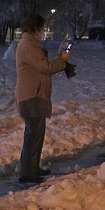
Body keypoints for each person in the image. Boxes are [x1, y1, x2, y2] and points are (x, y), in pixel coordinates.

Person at [14, 14, 71, 183]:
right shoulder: (29, 46)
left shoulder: (31, 44)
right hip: (32, 96)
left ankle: (32, 168)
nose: (43, 31)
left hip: (35, 94)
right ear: (35, 28)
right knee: (33, 134)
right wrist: (63, 60)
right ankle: (27, 172)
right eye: (42, 28)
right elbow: (45, 67)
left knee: (36, 134)